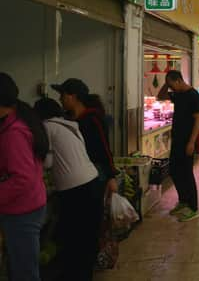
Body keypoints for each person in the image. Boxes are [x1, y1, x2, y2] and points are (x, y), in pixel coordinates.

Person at [34, 98, 103, 281]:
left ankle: (74, 275)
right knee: (87, 236)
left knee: (73, 237)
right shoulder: (71, 125)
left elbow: (47, 162)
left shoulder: (46, 127)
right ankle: (84, 274)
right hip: (92, 182)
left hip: (75, 189)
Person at [0, 73, 48, 281]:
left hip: (22, 211)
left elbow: (23, 179)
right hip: (28, 205)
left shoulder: (13, 133)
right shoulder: (18, 119)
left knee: (24, 273)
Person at [52, 78, 118, 197]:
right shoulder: (66, 120)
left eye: (63, 95)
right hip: (76, 175)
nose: (60, 99)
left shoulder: (93, 119)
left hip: (96, 174)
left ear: (73, 97)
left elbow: (104, 148)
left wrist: (111, 176)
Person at [157, 71, 199, 222]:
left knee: (187, 173)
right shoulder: (178, 94)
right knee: (175, 171)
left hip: (187, 141)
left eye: (171, 84)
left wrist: (192, 142)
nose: (171, 88)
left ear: (178, 80)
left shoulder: (193, 95)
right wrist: (166, 83)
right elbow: (160, 96)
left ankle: (193, 208)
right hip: (177, 140)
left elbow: (197, 120)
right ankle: (183, 202)